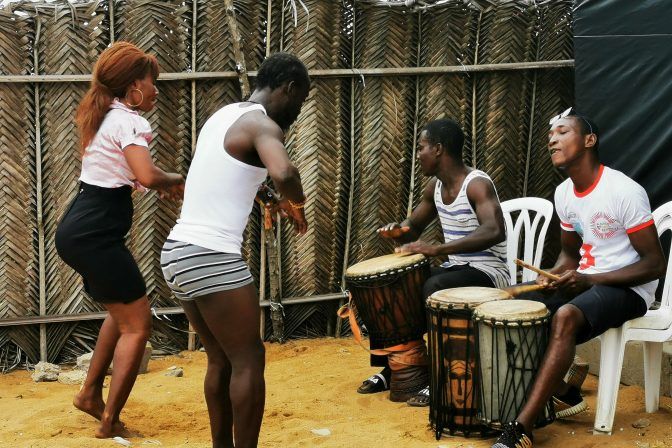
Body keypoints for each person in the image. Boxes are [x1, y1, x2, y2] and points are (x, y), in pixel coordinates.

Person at [161, 52, 310, 448]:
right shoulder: (263, 125)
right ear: (289, 89)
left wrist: (269, 198)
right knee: (249, 359)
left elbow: (228, 173)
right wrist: (294, 202)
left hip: (178, 252)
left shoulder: (223, 116)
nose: (298, 111)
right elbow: (285, 172)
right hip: (210, 255)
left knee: (221, 358)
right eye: (301, 100)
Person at [492, 108, 666, 448]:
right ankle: (562, 391)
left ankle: (521, 427)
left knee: (566, 316)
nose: (552, 140)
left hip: (630, 289)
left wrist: (589, 280)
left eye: (562, 132)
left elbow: (654, 264)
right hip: (588, 281)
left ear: (589, 140)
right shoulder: (564, 194)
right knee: (512, 302)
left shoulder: (623, 191)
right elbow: (569, 257)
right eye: (550, 136)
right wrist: (554, 276)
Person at [55, 41, 185, 438]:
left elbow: (131, 174)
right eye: (151, 82)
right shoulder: (129, 122)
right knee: (138, 325)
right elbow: (146, 175)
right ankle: (110, 420)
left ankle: (89, 395)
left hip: (81, 229)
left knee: (121, 313)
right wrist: (177, 179)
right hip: (96, 234)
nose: (156, 89)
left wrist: (162, 183)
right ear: (133, 87)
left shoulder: (107, 116)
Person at [358, 118, 509, 406]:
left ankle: (439, 376)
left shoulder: (476, 184)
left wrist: (437, 248)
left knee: (433, 285)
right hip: (457, 269)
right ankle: (395, 368)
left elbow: (494, 230)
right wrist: (399, 231)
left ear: (438, 149)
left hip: (489, 272)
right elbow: (414, 226)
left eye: (421, 148)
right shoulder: (435, 187)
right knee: (394, 284)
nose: (417, 155)